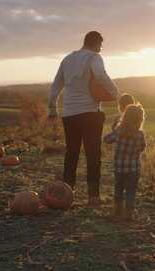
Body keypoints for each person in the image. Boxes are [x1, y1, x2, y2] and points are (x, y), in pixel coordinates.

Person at [48, 31, 120, 206]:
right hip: (90, 113)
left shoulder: (67, 59)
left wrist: (52, 107)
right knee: (93, 154)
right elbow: (101, 75)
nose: (100, 50)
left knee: (71, 153)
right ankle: (93, 196)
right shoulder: (94, 58)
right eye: (100, 46)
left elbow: (56, 84)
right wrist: (115, 92)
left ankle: (66, 193)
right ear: (95, 43)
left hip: (69, 113)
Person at [104, 104, 146, 221]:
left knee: (119, 188)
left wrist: (113, 130)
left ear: (125, 117)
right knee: (131, 190)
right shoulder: (140, 134)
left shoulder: (118, 131)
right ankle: (129, 213)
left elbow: (106, 139)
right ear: (140, 119)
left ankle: (117, 210)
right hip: (134, 169)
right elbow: (143, 147)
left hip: (119, 168)